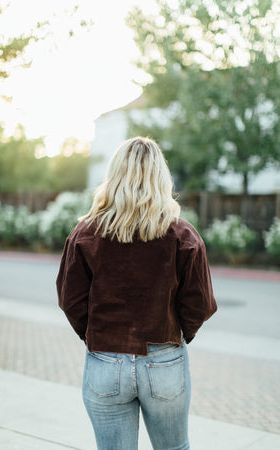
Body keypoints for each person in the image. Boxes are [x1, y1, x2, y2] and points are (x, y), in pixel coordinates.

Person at [56, 136, 217, 450]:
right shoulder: (182, 235)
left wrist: (98, 337)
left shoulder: (85, 233)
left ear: (114, 176)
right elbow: (199, 303)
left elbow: (70, 299)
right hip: (164, 361)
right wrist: (176, 335)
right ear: (161, 178)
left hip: (104, 361)